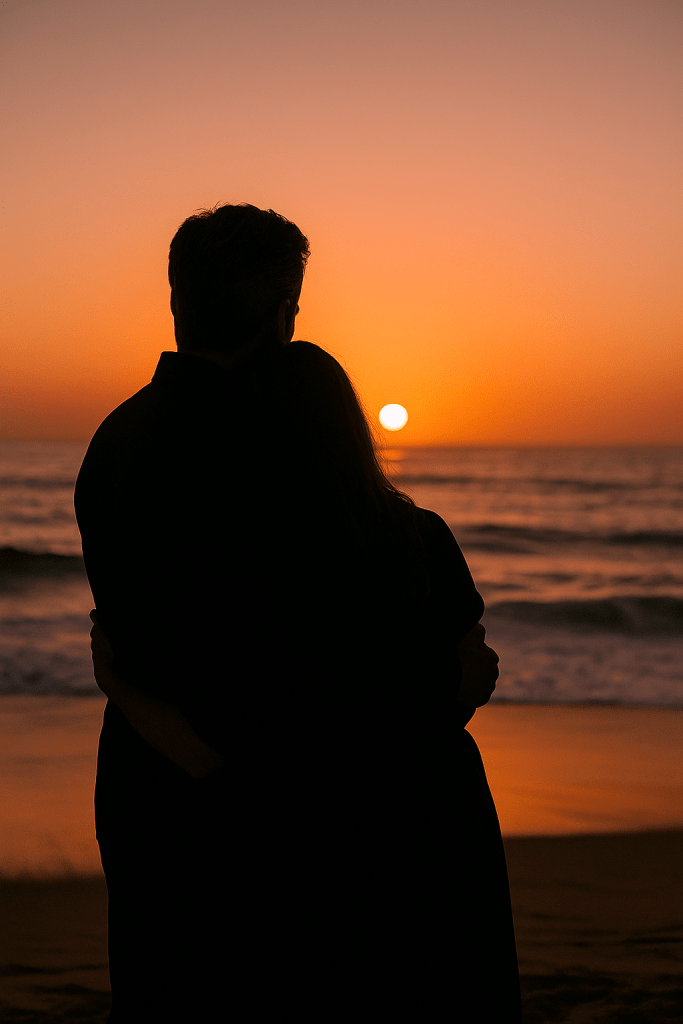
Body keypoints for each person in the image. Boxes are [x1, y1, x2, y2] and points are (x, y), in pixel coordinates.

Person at [75, 203, 521, 1021]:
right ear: (283, 308)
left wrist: (126, 691)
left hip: (153, 791)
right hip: (255, 819)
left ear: (177, 298)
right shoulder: (263, 448)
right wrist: (447, 683)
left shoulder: (117, 436)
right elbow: (317, 674)